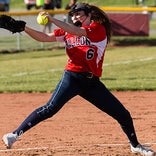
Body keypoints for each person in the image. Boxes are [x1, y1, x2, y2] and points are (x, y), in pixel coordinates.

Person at [2, 3, 155, 156]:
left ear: (89, 16)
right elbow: (44, 37)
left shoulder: (97, 29)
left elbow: (77, 31)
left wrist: (52, 19)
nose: (75, 17)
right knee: (50, 108)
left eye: (79, 14)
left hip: (91, 83)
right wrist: (24, 28)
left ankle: (135, 145)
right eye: (73, 15)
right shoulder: (67, 32)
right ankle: (14, 135)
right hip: (72, 77)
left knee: (122, 114)